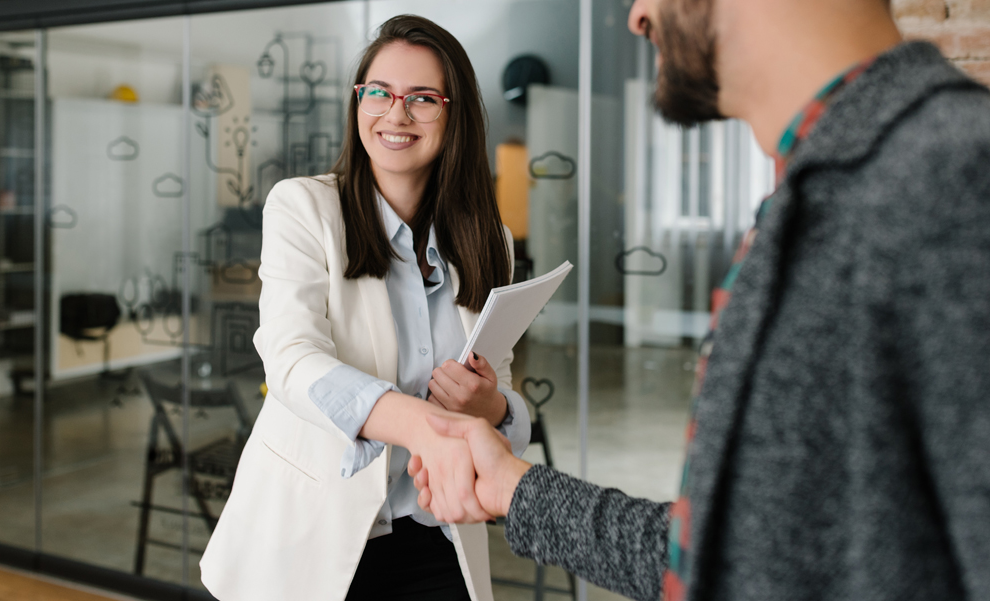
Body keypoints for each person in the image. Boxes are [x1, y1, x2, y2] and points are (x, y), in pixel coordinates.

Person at [409, 0, 990, 600]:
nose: (636, 16)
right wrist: (511, 488)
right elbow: (734, 557)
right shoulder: (821, 196)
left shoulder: (956, 178)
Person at [199, 14, 531, 601]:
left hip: (439, 539)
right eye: (378, 93)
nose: (395, 114)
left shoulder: (489, 240)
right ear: (359, 103)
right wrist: (425, 426)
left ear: (455, 116)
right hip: (316, 540)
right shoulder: (302, 208)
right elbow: (291, 359)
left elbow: (494, 385)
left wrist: (494, 405)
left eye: (423, 98)